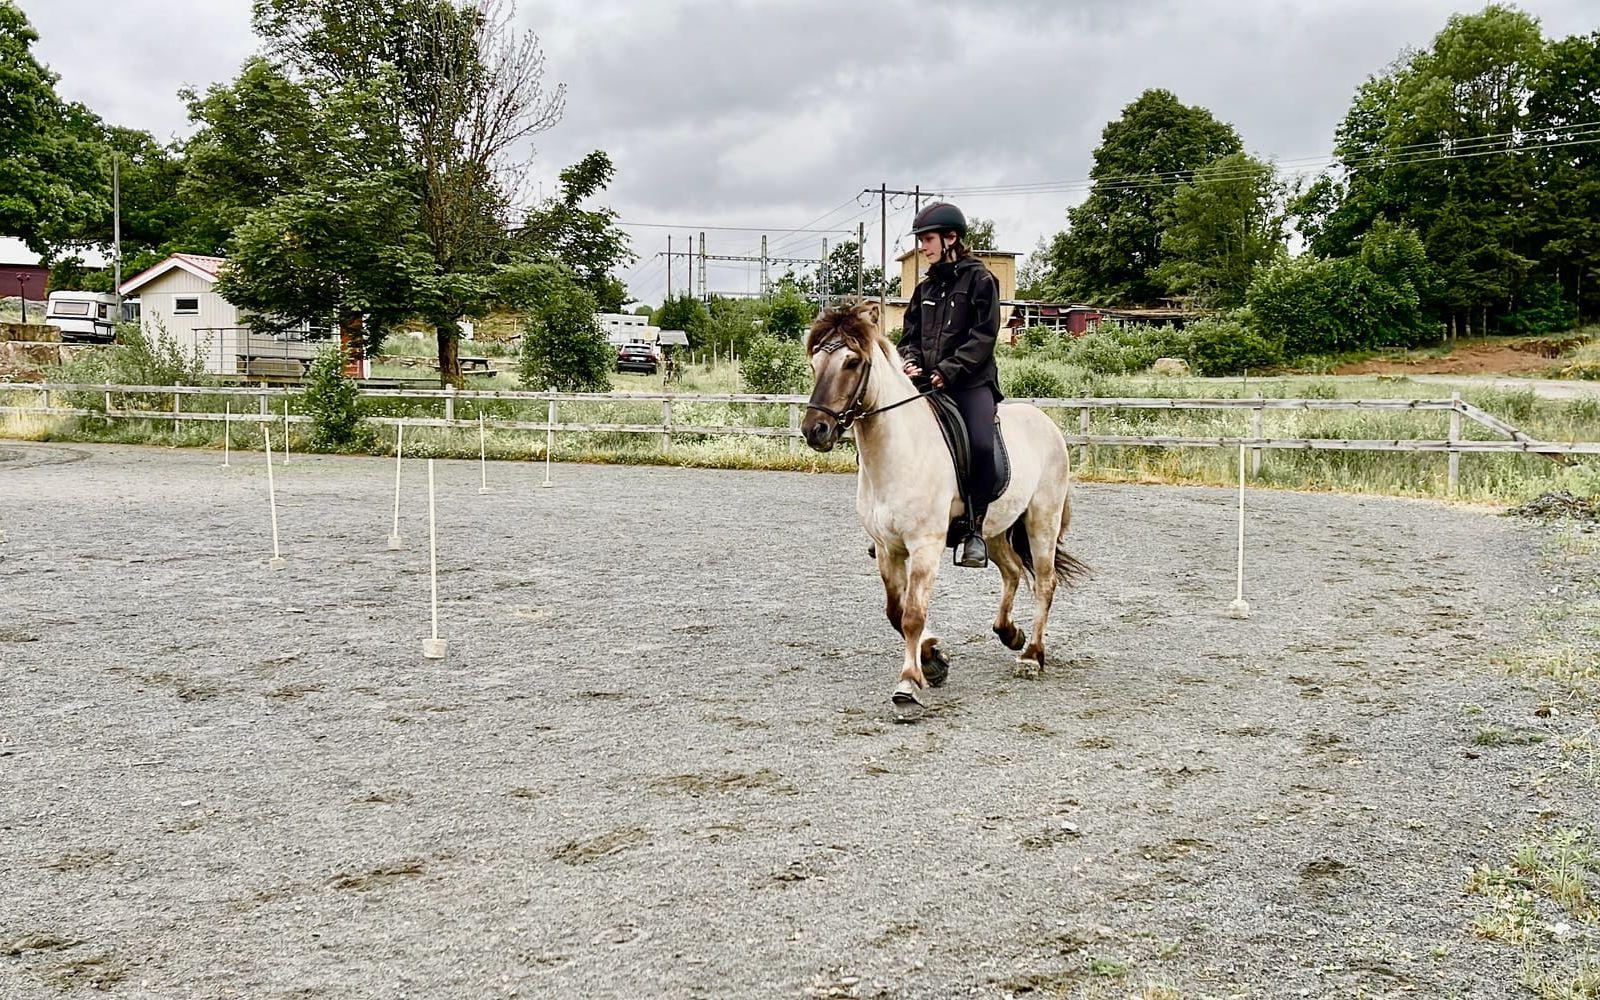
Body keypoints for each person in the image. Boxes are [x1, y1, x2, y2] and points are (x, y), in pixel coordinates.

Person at [898, 202, 1002, 568]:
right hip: (927, 383)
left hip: (970, 383)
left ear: (951, 238)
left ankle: (974, 529)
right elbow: (909, 334)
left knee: (979, 445)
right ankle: (895, 524)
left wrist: (950, 370)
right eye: (922, 240)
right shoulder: (924, 287)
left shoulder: (981, 280)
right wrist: (910, 361)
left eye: (927, 240)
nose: (922, 247)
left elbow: (984, 336)